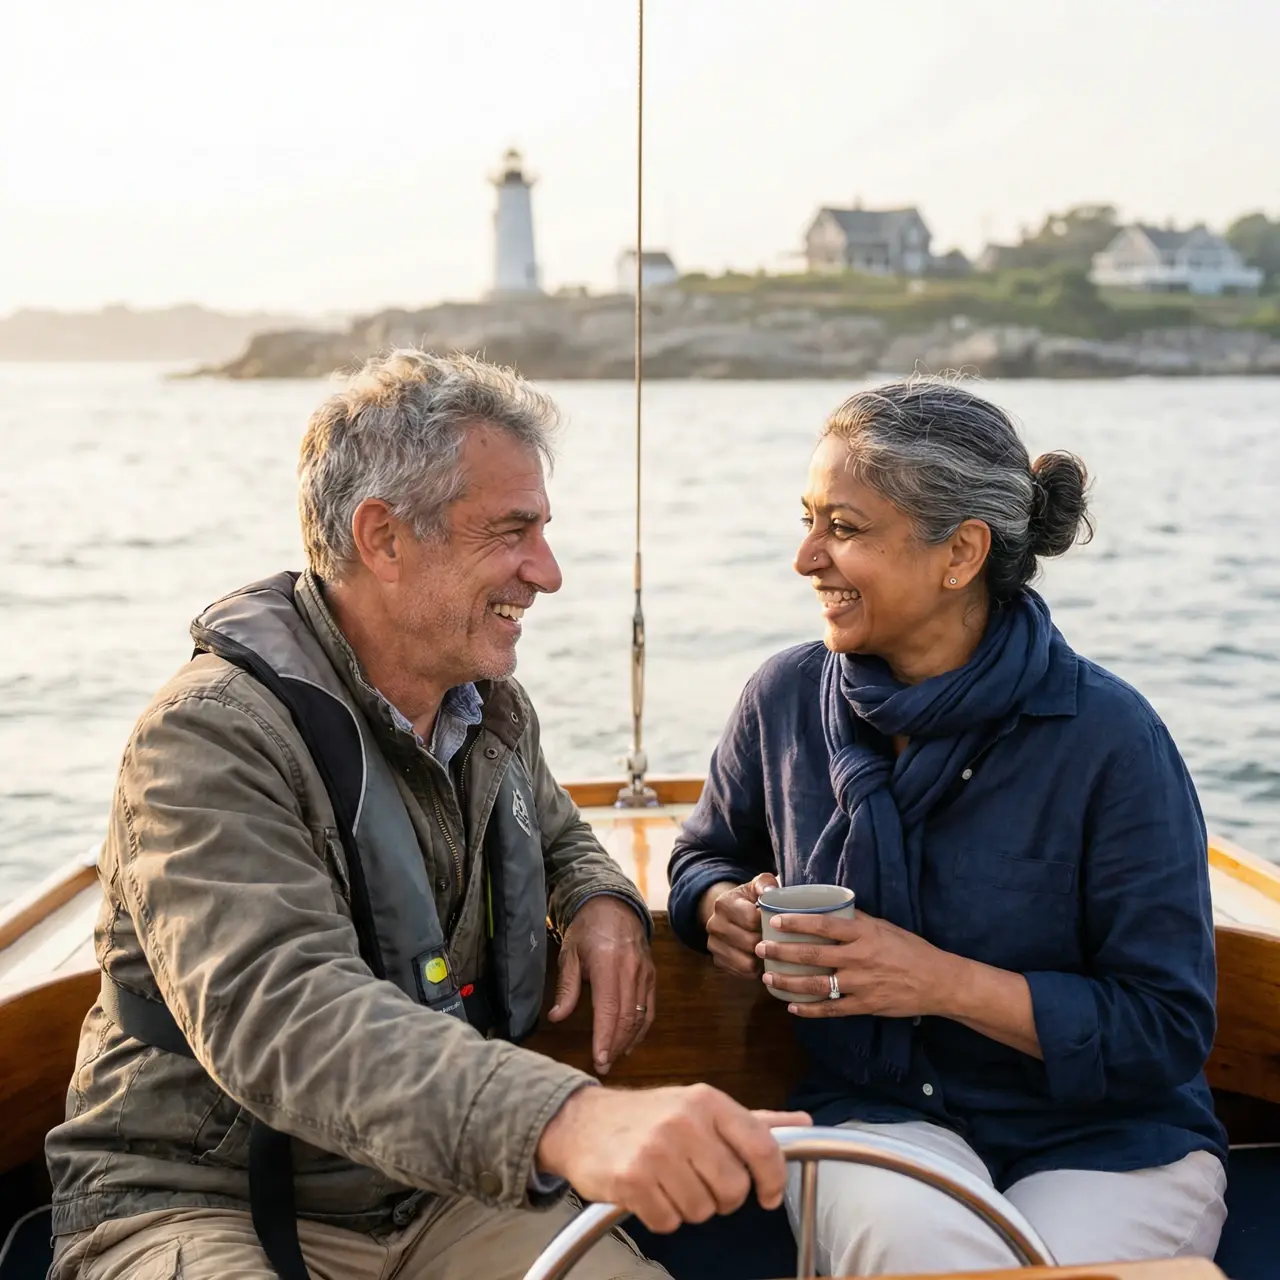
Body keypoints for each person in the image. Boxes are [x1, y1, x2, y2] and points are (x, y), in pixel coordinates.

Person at [47, 350, 807, 1280]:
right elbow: (284, 1012)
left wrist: (599, 899)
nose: (548, 572)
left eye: (544, 531)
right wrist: (569, 1119)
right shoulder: (208, 737)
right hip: (204, 1198)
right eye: (512, 532)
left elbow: (556, 829)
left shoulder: (484, 709)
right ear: (383, 538)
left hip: (436, 1191)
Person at [667, 379, 1229, 1276]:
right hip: (877, 1113)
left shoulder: (1112, 739)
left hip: (1109, 1136)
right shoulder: (784, 699)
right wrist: (717, 906)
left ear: (961, 553)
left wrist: (937, 982)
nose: (806, 557)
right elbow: (704, 855)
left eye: (844, 528)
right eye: (808, 521)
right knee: (917, 1247)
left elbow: (1164, 1027)